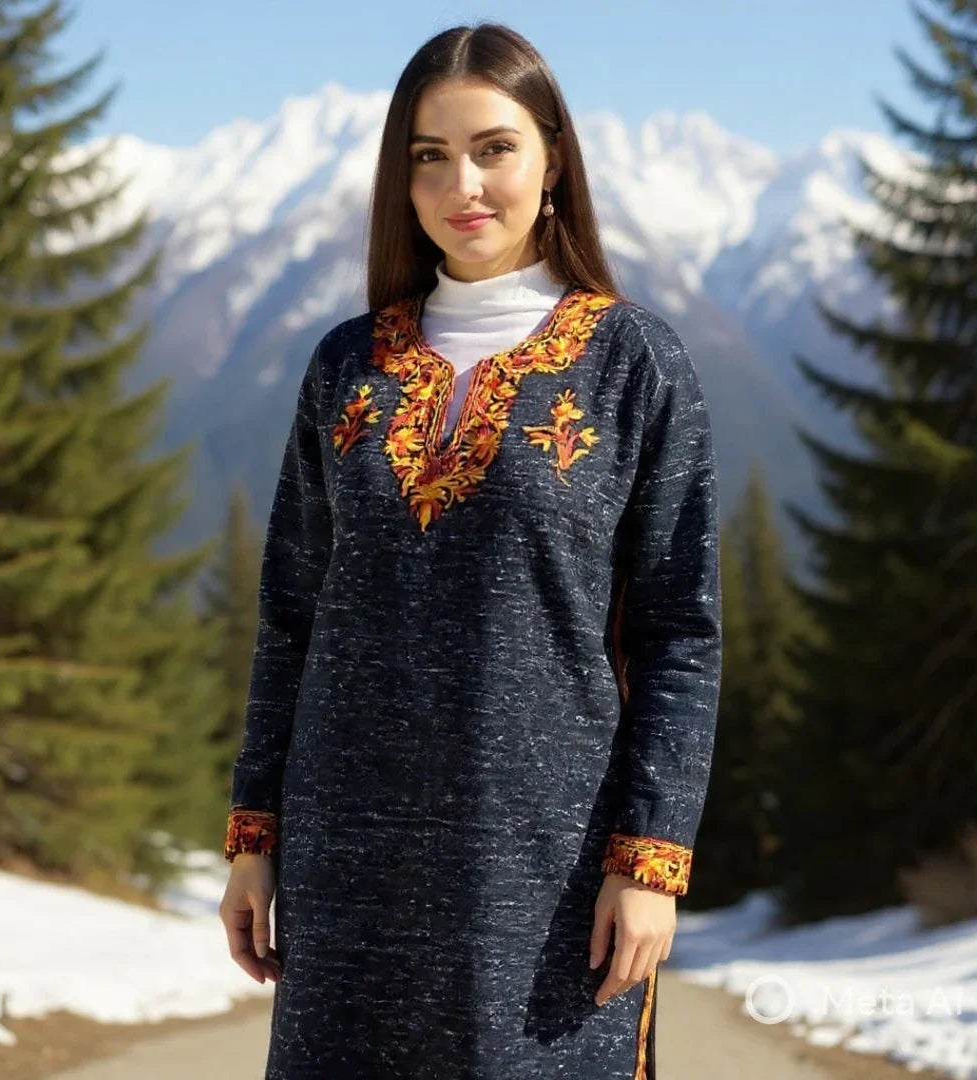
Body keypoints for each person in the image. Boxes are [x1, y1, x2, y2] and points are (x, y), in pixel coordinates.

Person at [218, 20, 721, 1080]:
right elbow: (291, 617)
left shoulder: (634, 364)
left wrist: (651, 861)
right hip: (346, 867)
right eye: (430, 156)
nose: (464, 185)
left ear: (553, 162)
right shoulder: (346, 367)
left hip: (547, 874)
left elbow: (680, 631)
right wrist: (255, 838)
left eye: (494, 148)